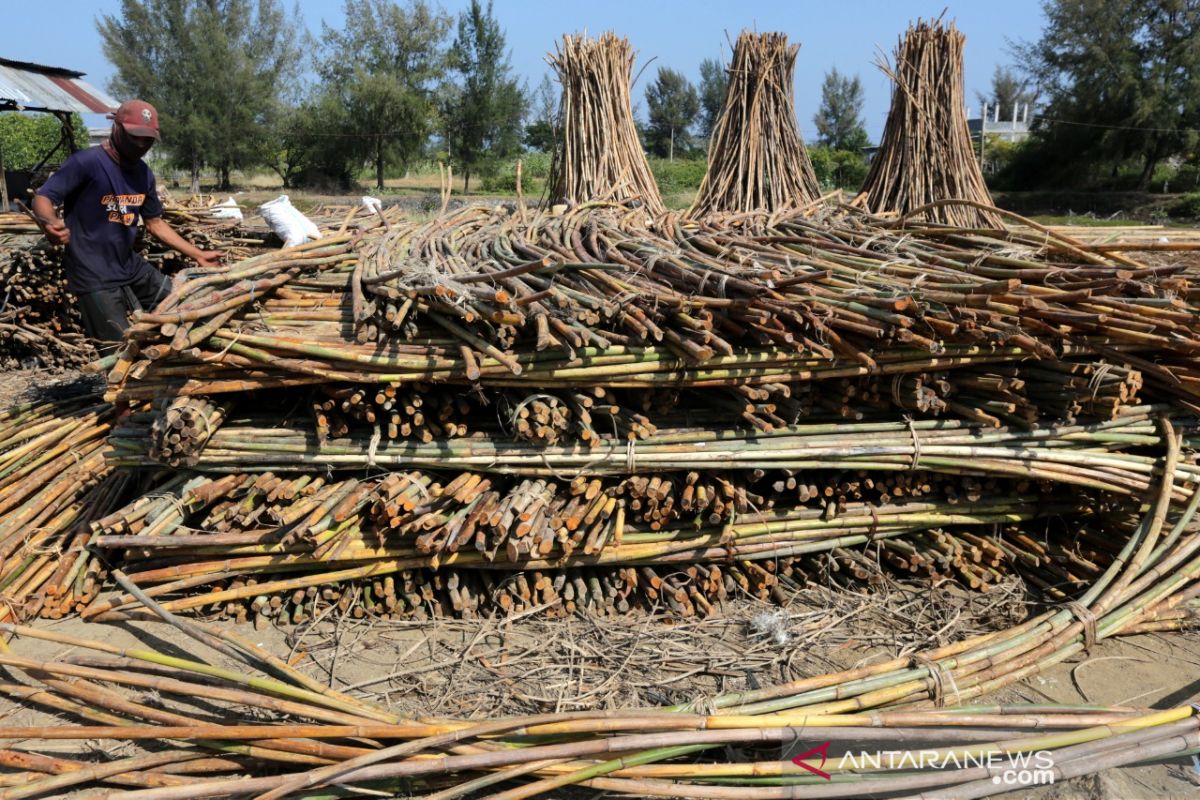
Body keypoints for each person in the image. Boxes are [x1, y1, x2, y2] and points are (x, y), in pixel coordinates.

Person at [31, 99, 223, 344]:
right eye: (135, 136)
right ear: (117, 128)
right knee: (119, 346)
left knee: (183, 305)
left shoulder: (143, 173)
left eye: (148, 139)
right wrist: (49, 222)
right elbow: (44, 196)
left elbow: (155, 223)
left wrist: (197, 253)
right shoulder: (86, 162)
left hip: (129, 265)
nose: (141, 144)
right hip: (92, 272)